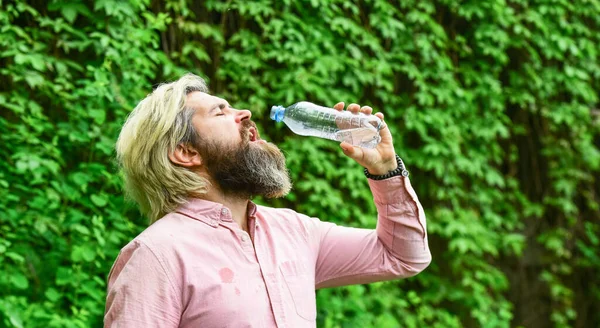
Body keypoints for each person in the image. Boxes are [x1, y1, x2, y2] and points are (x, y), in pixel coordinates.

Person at [104, 73, 431, 327]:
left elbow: (401, 256)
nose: (243, 112)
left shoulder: (293, 231)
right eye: (221, 112)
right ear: (186, 152)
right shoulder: (155, 257)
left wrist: (386, 171)